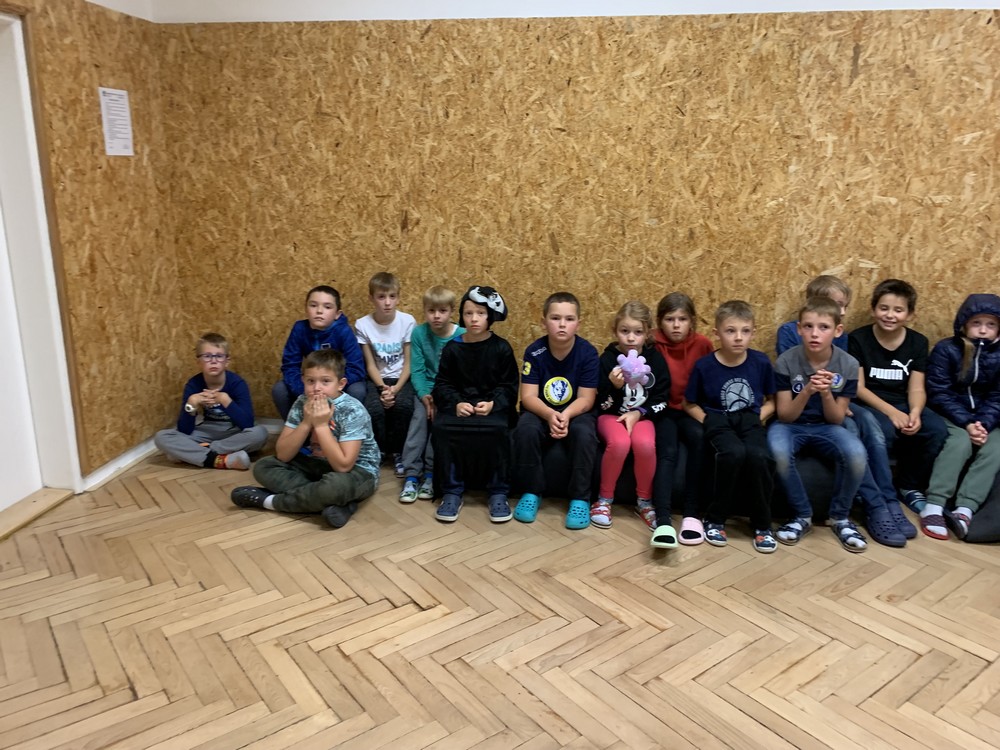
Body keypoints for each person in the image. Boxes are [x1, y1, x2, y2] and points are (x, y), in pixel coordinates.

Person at [778, 274, 905, 546]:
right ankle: (861, 505)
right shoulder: (788, 342)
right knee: (848, 432)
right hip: (801, 408)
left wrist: (831, 396)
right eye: (837, 305)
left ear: (835, 330)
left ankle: (878, 502)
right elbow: (790, 398)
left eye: (843, 307)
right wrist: (815, 391)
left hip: (833, 406)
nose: (842, 312)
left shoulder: (845, 346)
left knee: (867, 432)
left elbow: (840, 391)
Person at [230, 349, 380, 528]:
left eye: (325, 381)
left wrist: (321, 425)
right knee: (264, 466)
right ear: (303, 380)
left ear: (341, 384)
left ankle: (270, 502)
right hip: (316, 464)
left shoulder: (352, 410)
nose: (316, 388)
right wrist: (307, 421)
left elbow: (343, 466)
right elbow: (283, 455)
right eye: (310, 381)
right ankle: (334, 502)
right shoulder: (302, 402)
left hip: (358, 472)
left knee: (335, 486)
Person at [768, 297, 870, 552]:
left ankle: (840, 517)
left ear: (837, 330)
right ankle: (802, 516)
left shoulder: (848, 364)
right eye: (808, 326)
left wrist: (825, 393)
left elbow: (837, 419)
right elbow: (785, 415)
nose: (815, 334)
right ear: (799, 329)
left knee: (857, 453)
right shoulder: (786, 361)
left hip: (827, 426)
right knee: (778, 451)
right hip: (790, 425)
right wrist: (807, 390)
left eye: (824, 327)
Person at [849, 279, 948, 534]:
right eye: (884, 308)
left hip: (905, 401)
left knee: (936, 430)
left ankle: (909, 486)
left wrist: (914, 413)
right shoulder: (858, 338)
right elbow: (859, 388)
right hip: (870, 403)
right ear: (873, 309)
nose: (890, 315)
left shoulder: (918, 342)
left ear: (910, 314)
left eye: (898, 310)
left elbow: (917, 388)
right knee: (883, 431)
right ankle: (876, 493)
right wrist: (892, 412)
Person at [684, 301, 777, 552]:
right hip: (718, 420)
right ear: (717, 333)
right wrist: (709, 421)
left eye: (745, 331)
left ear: (753, 333)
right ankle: (715, 519)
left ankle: (762, 525)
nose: (738, 337)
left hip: (750, 420)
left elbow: (773, 401)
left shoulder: (760, 362)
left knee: (759, 457)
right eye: (730, 331)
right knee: (733, 453)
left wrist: (757, 417)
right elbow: (688, 403)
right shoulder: (705, 366)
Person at [511, 292, 599, 529]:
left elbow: (587, 398)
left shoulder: (588, 353)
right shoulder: (534, 351)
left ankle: (580, 498)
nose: (562, 324)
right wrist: (550, 415)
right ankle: (531, 492)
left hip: (576, 412)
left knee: (584, 434)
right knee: (525, 429)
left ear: (578, 323)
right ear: (544, 322)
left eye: (569, 319)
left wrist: (566, 415)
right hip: (541, 411)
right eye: (555, 318)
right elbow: (528, 397)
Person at [432, 286, 519, 523]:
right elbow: (442, 384)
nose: (474, 319)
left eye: (480, 313)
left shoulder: (501, 347)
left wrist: (493, 403)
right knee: (442, 427)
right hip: (460, 407)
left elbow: (509, 385)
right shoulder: (453, 348)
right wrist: (456, 403)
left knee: (499, 428)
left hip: (492, 408)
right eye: (468, 313)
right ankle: (451, 491)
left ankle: (498, 491)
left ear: (490, 316)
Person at [920, 294, 1000, 539]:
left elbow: (998, 396)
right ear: (964, 324)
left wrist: (982, 423)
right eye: (977, 323)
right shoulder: (947, 349)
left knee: (996, 447)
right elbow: (939, 392)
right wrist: (967, 422)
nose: (983, 330)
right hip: (951, 414)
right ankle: (934, 504)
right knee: (959, 442)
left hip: (986, 419)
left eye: (991, 324)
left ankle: (966, 508)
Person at [592, 300, 670, 531]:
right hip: (611, 417)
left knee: (645, 445)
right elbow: (600, 404)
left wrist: (639, 412)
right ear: (615, 331)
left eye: (638, 332)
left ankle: (644, 502)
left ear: (647, 333)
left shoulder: (656, 360)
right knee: (619, 443)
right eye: (624, 331)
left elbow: (662, 400)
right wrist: (614, 387)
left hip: (642, 417)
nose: (631, 338)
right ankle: (604, 500)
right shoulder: (607, 360)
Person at [651, 292, 714, 545]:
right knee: (667, 451)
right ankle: (663, 519)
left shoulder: (703, 345)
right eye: (669, 319)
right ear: (660, 322)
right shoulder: (652, 343)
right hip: (662, 410)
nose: (676, 325)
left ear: (692, 321)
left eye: (682, 319)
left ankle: (692, 514)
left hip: (691, 409)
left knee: (700, 440)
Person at [155, 332, 268, 470]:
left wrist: (226, 401)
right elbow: (184, 430)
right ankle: (221, 460)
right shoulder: (193, 384)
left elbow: (247, 423)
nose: (213, 361)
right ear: (198, 361)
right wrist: (191, 404)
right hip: (207, 430)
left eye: (219, 356)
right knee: (162, 437)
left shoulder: (237, 383)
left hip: (233, 431)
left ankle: (195, 453)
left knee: (260, 433)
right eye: (207, 356)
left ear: (227, 361)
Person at [398, 286, 464, 503]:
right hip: (424, 390)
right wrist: (425, 396)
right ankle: (411, 475)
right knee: (419, 420)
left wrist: (444, 397)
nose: (436, 316)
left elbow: (461, 374)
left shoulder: (461, 335)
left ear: (452, 311)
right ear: (424, 311)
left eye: (442, 311)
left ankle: (430, 473)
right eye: (431, 310)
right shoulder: (419, 333)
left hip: (449, 393)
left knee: (439, 424)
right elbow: (417, 370)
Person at [355, 272, 416, 477]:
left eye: (392, 296)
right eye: (381, 297)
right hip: (377, 379)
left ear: (398, 297)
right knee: (374, 409)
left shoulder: (407, 321)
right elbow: (370, 364)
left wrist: (396, 389)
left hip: (401, 379)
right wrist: (382, 388)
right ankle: (379, 450)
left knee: (405, 407)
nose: (387, 303)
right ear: (371, 298)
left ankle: (398, 451)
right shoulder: (363, 324)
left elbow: (409, 362)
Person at [272, 285, 366, 419]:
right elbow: (290, 365)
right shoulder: (299, 329)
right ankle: (297, 428)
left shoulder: (344, 331)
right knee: (280, 389)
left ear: (337, 314)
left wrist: (331, 388)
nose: (319, 311)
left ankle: (343, 428)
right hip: (311, 383)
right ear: (306, 308)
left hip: (337, 384)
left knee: (358, 389)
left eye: (327, 307)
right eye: (313, 305)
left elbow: (356, 369)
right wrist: (305, 390)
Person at [776, 274, 852, 356]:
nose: (843, 312)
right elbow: (787, 361)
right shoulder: (789, 331)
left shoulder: (840, 335)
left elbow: (841, 361)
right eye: (837, 305)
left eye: (845, 306)